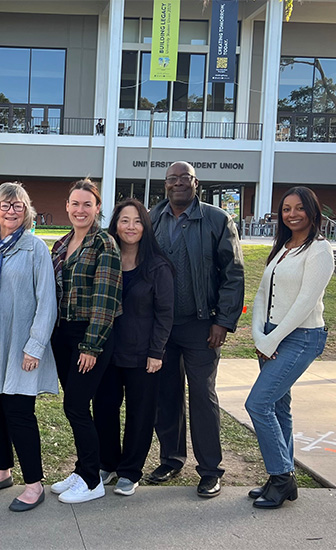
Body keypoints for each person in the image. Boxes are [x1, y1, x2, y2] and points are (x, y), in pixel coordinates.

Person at [146, 161, 244, 498]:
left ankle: (210, 470)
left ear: (196, 183)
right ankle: (171, 459)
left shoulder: (217, 219)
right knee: (166, 395)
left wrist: (223, 321)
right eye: (171, 179)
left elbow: (233, 273)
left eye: (183, 178)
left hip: (202, 325)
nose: (177, 184)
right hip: (161, 328)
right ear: (165, 185)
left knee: (202, 395)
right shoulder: (151, 218)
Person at [0, 181, 57, 512]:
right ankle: (2, 471)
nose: (11, 211)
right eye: (5, 205)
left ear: (27, 211)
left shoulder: (35, 249)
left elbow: (47, 302)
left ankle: (34, 484)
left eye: (18, 206)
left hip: (19, 346)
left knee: (19, 413)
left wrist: (35, 346)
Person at [245, 187, 333, 509]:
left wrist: (270, 340)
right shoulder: (283, 246)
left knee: (258, 404)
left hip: (301, 337)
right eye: (286, 209)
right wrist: (258, 334)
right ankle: (282, 477)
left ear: (312, 212)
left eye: (299, 209)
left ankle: (281, 476)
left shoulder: (320, 251)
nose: (292, 214)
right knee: (279, 407)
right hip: (270, 336)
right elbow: (261, 295)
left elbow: (304, 303)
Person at [49, 179, 122, 504]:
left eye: (87, 204)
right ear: (67, 206)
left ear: (97, 208)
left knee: (76, 406)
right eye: (75, 204)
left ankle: (92, 480)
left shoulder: (104, 243)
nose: (80, 210)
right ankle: (82, 469)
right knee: (78, 406)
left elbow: (106, 300)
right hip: (63, 335)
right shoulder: (61, 244)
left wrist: (91, 346)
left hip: (90, 336)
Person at [96, 198, 174, 497]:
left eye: (137, 221)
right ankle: (108, 462)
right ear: (115, 224)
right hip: (107, 352)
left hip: (143, 354)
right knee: (104, 409)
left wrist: (157, 352)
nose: (131, 227)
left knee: (140, 414)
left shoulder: (158, 266)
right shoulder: (106, 259)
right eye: (125, 220)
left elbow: (165, 313)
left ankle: (130, 470)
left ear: (146, 226)